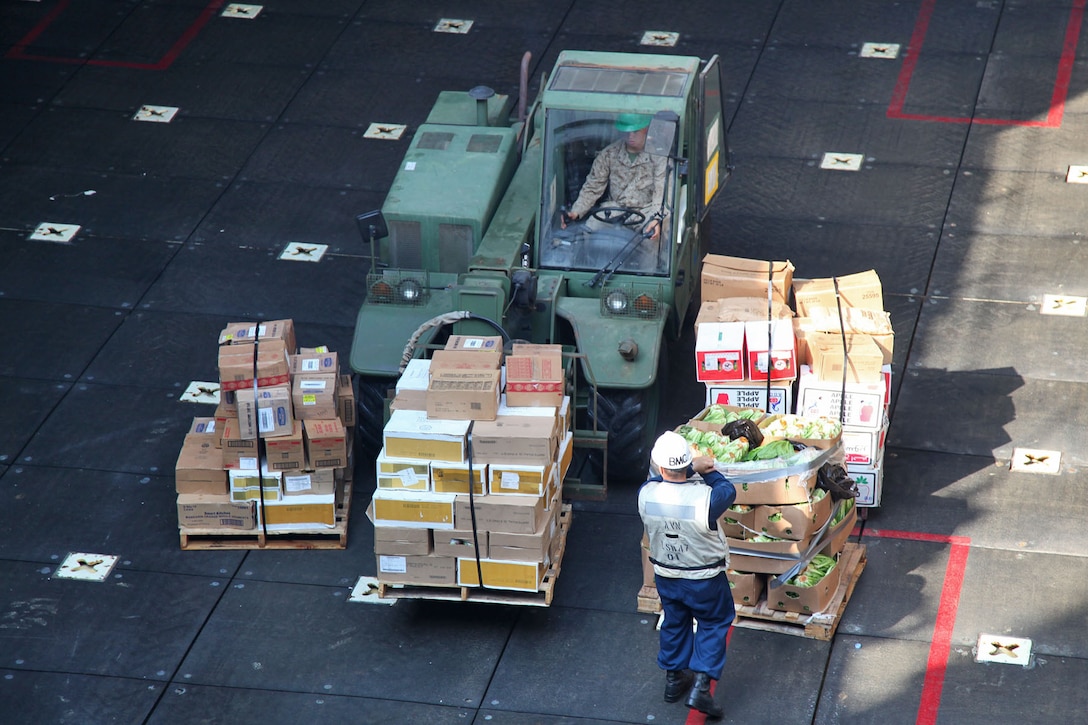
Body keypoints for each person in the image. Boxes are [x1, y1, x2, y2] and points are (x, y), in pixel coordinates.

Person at [637, 431, 737, 720]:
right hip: (704, 578)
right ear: (685, 464)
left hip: (666, 575)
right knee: (714, 622)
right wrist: (705, 469)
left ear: (659, 466)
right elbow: (727, 490)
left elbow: (657, 480)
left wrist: (690, 466)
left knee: (675, 621)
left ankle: (674, 679)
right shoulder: (707, 498)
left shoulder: (646, 494)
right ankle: (701, 688)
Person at [564, 113, 668, 239]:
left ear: (645, 129)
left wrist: (655, 218)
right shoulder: (609, 154)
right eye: (626, 132)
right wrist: (576, 211)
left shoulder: (659, 157)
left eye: (635, 132)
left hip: (645, 211)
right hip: (614, 209)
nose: (630, 136)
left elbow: (661, 193)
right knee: (588, 231)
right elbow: (593, 187)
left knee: (650, 239)